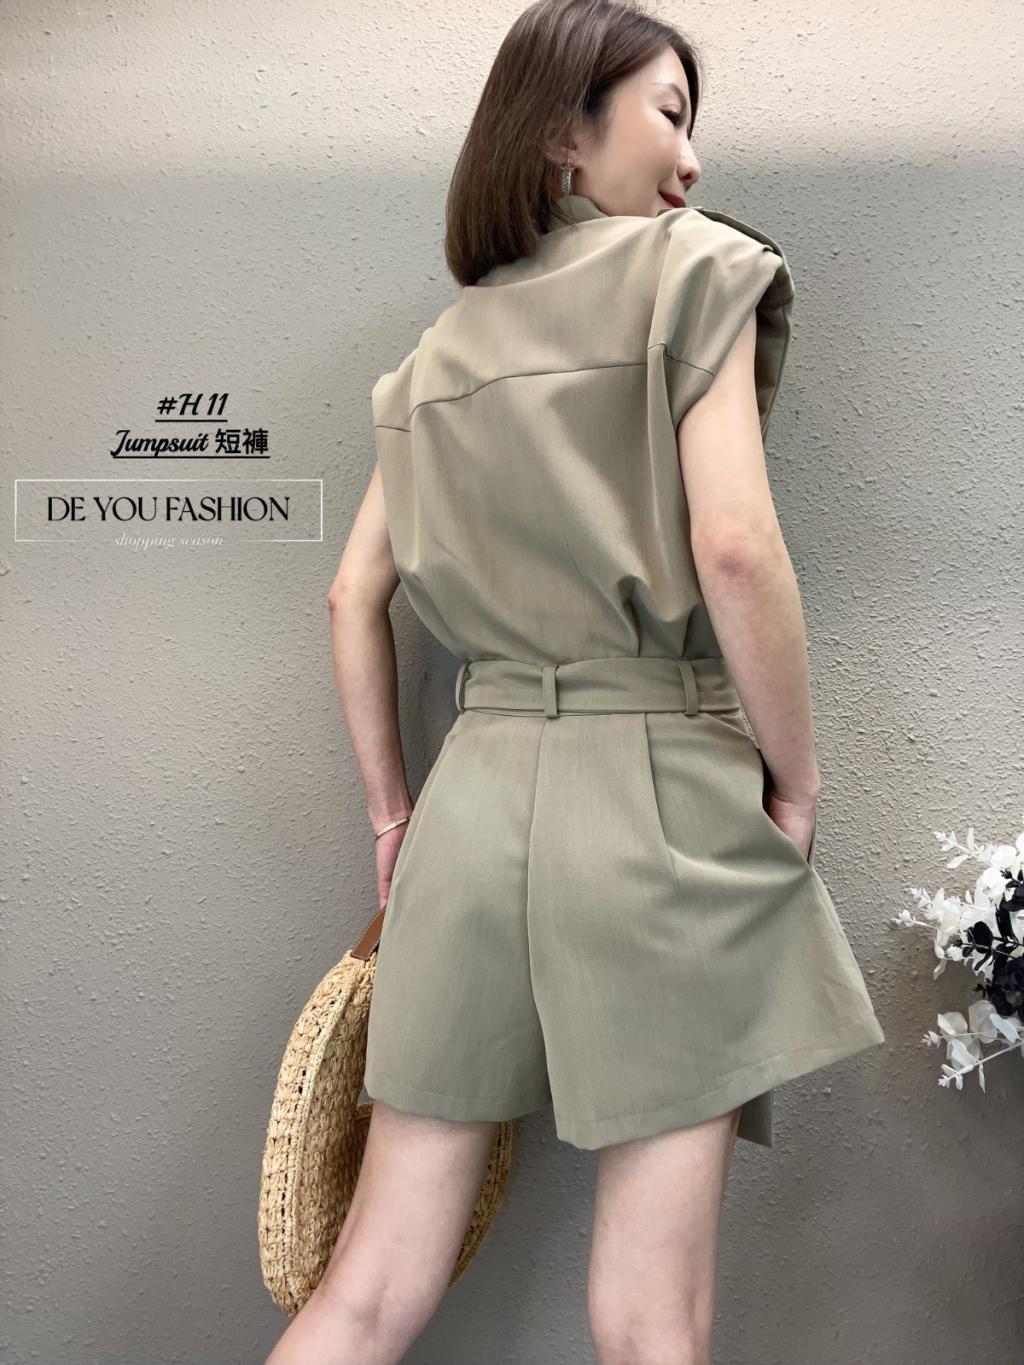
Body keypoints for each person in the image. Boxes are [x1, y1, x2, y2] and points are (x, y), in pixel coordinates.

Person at [266, 2, 885, 1362]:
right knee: (649, 1316)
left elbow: (352, 597)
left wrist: (393, 815)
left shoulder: (436, 357)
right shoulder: (697, 271)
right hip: (654, 791)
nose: (694, 159)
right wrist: (797, 776)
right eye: (671, 113)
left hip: (470, 805)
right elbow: (735, 545)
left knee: (367, 1290)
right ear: (562, 130)